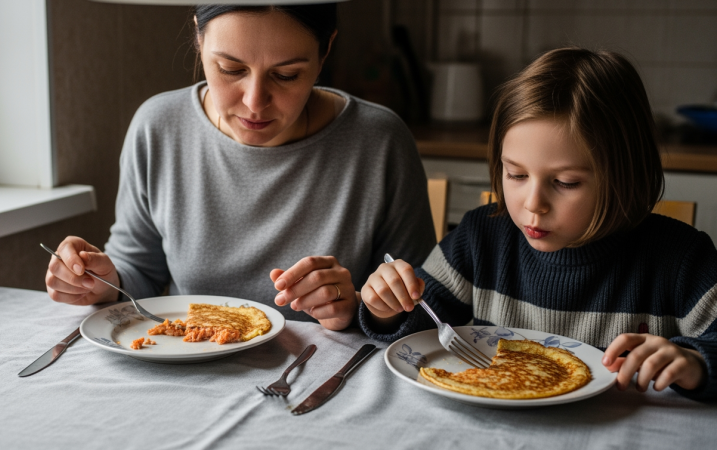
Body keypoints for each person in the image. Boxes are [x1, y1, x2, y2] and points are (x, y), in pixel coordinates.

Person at [44, 4, 436, 330]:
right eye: (231, 69)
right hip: (189, 368)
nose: (254, 102)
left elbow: (423, 304)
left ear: (325, 51)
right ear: (199, 39)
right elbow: (139, 271)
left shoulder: (379, 141)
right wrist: (101, 281)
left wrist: (361, 307)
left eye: (286, 75)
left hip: (322, 381)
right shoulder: (158, 126)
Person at [359, 47, 717, 400]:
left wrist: (696, 362)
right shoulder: (480, 238)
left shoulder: (681, 260)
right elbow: (420, 323)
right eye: (516, 174)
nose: (533, 204)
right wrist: (386, 307)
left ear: (626, 176)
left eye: (565, 182)